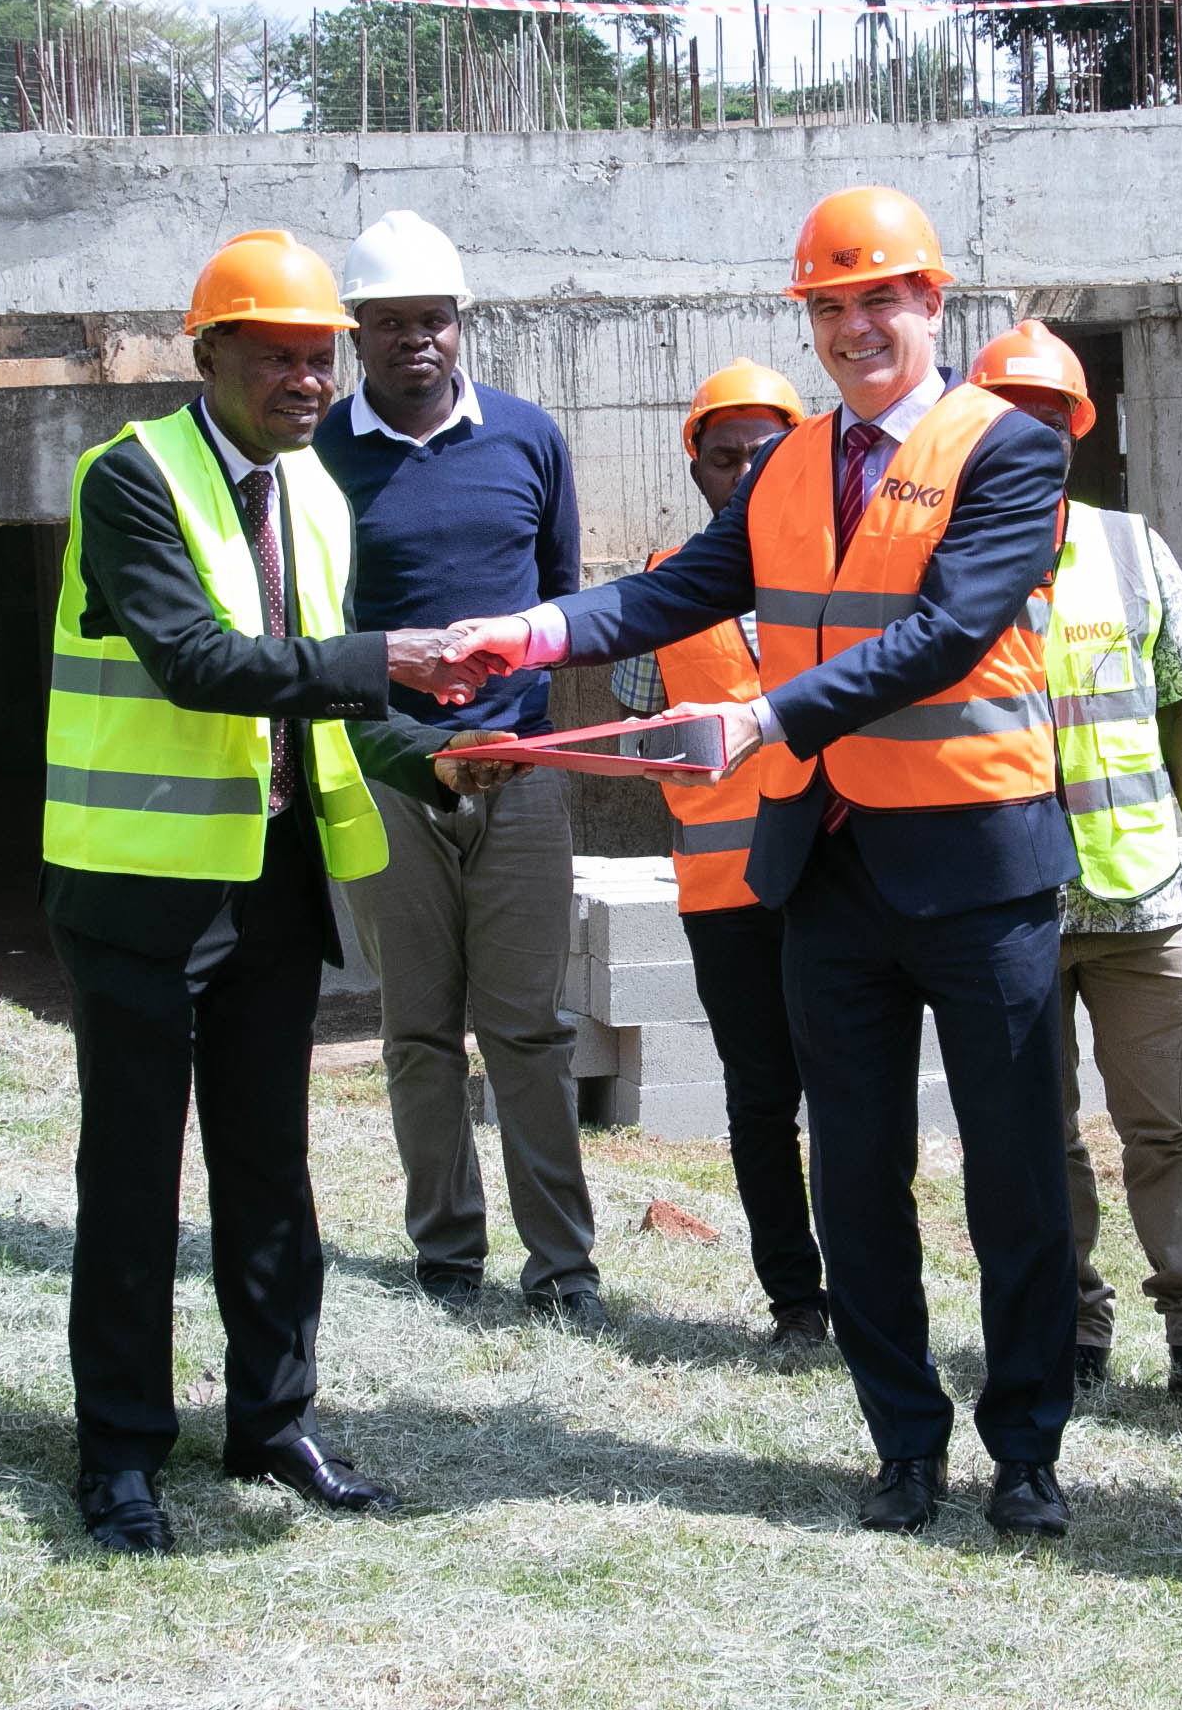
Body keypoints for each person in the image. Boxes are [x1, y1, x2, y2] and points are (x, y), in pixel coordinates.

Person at [441, 188, 1084, 1539]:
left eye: (879, 302)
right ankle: (901, 1443)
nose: (854, 329)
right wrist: (533, 632)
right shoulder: (791, 463)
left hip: (975, 864)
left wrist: (770, 713)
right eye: (829, 308)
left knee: (1014, 1171)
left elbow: (952, 630)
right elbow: (671, 590)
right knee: (851, 1173)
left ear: (932, 306)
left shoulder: (1005, 449)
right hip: (829, 869)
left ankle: (1022, 1447)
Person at [43, 229, 508, 1554]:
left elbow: (315, 693)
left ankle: (270, 1419)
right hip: (137, 890)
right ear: (210, 354)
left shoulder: (311, 493)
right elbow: (200, 662)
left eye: (322, 356)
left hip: (268, 895)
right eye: (279, 356)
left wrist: (433, 759)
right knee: (132, 1179)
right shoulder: (126, 480)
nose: (308, 379)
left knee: (268, 1172)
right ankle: (121, 1454)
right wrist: (387, 660)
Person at [966, 321, 1182, 1438]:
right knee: (1035, 1137)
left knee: (1168, 1129)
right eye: (1007, 416)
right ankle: (1071, 1325)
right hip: (1010, 902)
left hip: (1141, 895)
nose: (1029, 437)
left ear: (1076, 433)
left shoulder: (1131, 547)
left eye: (1049, 421)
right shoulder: (945, 555)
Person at [313, 209, 603, 1328]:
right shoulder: (320, 457)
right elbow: (316, 631)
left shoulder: (528, 438)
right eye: (388, 323)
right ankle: (446, 1252)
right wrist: (409, 745)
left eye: (432, 318)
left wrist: (502, 737)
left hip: (518, 770)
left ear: (460, 322)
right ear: (357, 334)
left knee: (527, 1024)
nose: (414, 340)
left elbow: (564, 598)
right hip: (389, 773)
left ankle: (563, 1268)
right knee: (418, 1025)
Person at [608, 359, 829, 1349]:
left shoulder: (841, 572)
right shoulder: (663, 589)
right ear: (695, 465)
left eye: (764, 452)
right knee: (761, 1096)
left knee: (852, 1094)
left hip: (836, 881)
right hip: (725, 890)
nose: (744, 471)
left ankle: (871, 1287)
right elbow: (634, 727)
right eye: (724, 455)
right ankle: (797, 1301)